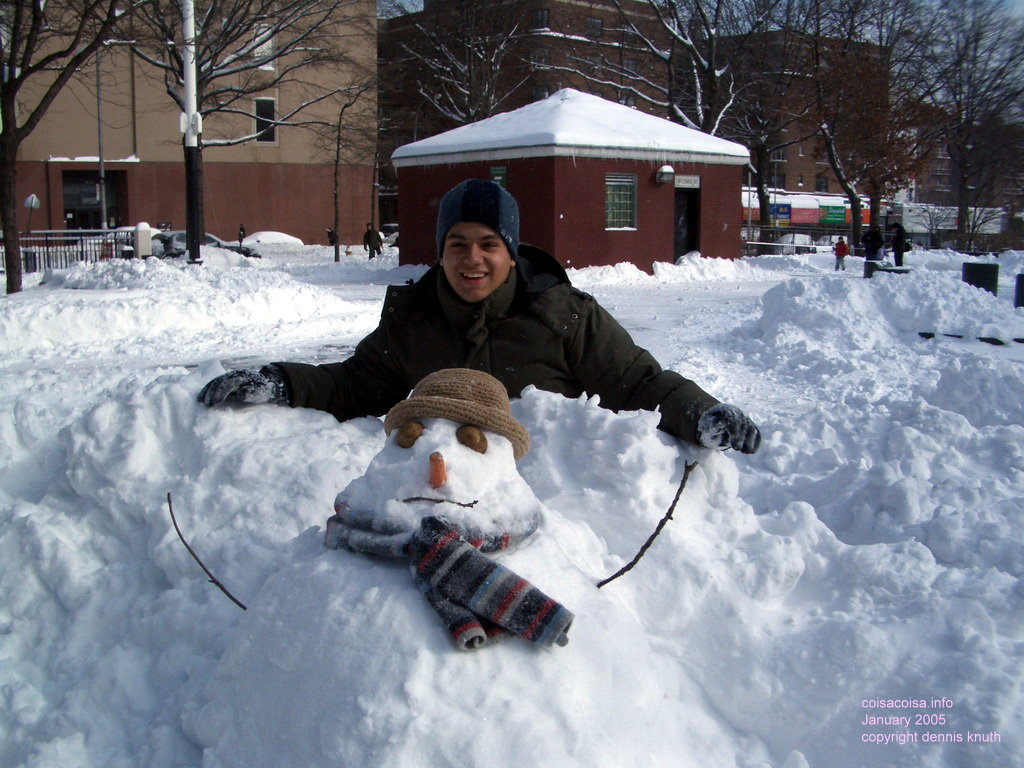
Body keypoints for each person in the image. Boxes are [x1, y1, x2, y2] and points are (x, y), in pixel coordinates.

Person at [197, 179, 761, 454]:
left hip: (556, 506)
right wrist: (279, 380)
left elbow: (640, 383)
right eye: (458, 244)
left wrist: (702, 413)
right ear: (441, 250)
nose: (473, 259)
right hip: (444, 496)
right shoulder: (412, 318)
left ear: (510, 251)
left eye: (488, 244)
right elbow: (353, 384)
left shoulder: (562, 314)